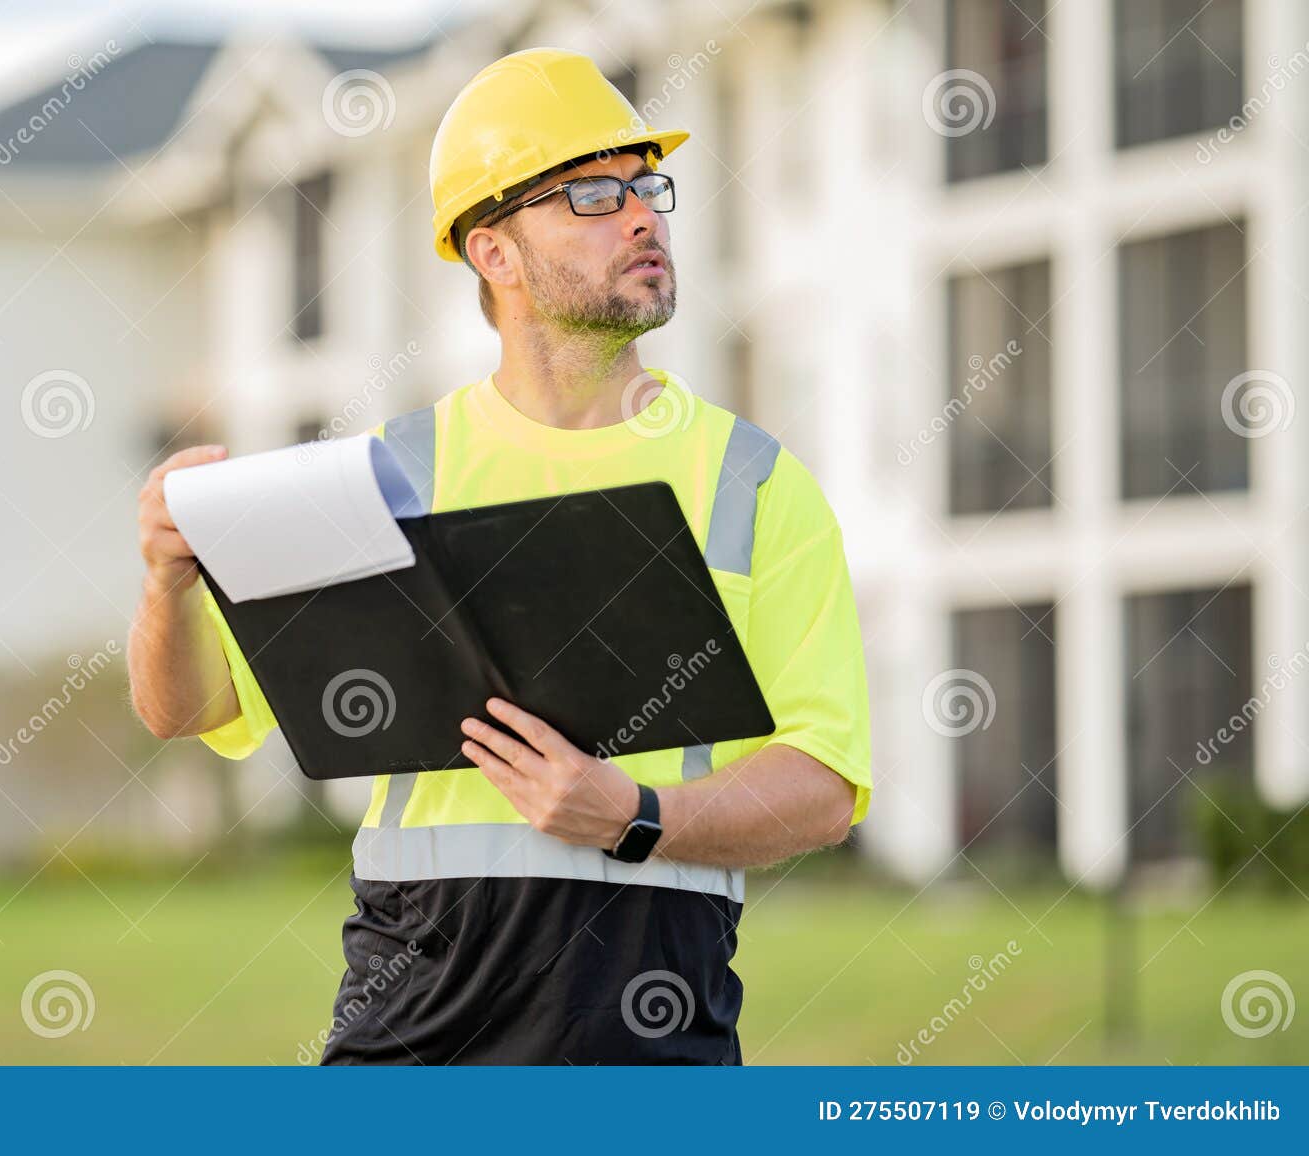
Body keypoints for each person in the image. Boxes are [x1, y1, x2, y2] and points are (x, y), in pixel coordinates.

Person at [128, 47, 872, 1064]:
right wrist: (168, 584)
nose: (643, 215)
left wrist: (635, 816)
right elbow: (186, 709)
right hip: (411, 1033)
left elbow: (823, 786)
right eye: (594, 195)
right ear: (495, 254)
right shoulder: (384, 476)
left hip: (648, 1029)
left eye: (646, 186)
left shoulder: (753, 484)